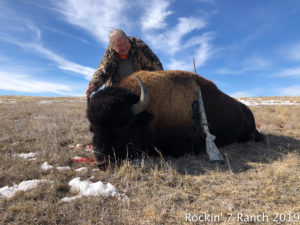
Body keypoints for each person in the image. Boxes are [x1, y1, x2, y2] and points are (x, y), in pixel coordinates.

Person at [86, 29, 163, 98]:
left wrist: (161, 84)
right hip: (117, 91)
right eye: (119, 46)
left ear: (127, 39)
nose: (124, 47)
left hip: (139, 88)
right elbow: (103, 71)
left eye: (125, 43)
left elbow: (155, 65)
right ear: (113, 47)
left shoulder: (139, 45)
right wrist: (94, 85)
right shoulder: (110, 53)